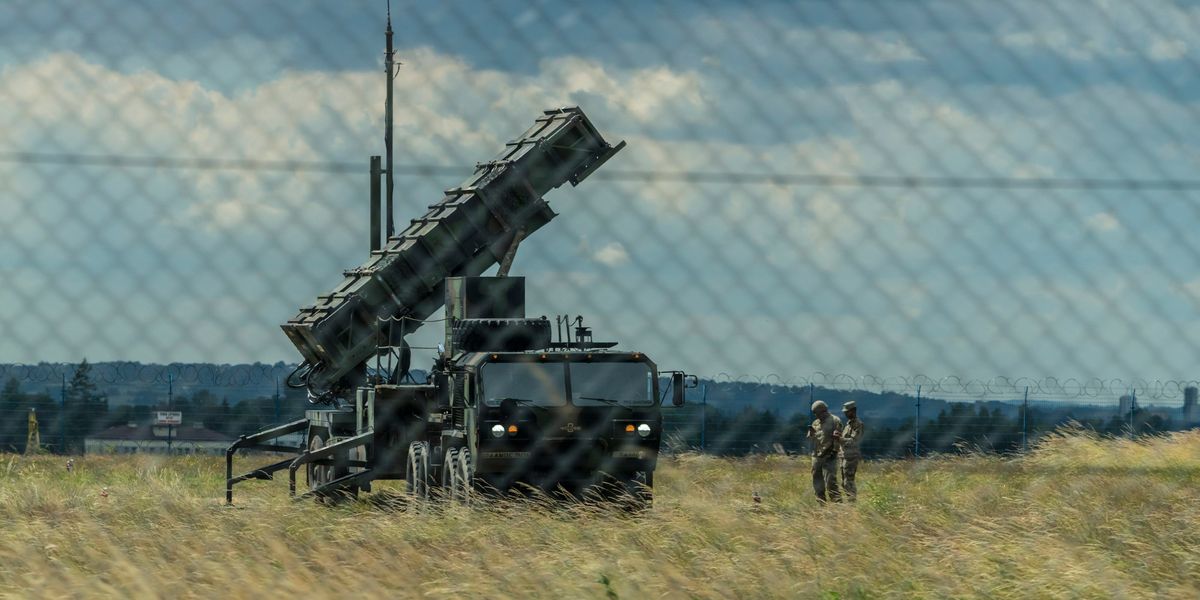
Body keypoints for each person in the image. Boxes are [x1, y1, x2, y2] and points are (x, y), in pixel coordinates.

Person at [806, 400, 842, 503]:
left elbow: (838, 438)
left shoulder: (835, 420)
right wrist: (811, 433)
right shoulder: (815, 423)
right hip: (817, 455)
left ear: (823, 410)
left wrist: (834, 451)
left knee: (830, 482)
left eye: (816, 412)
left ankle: (837, 504)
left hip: (829, 455)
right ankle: (821, 503)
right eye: (814, 413)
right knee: (817, 481)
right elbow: (809, 438)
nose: (815, 415)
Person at [839, 401, 864, 502]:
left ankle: (852, 503)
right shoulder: (848, 424)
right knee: (843, 483)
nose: (845, 414)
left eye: (847, 412)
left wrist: (839, 439)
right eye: (845, 412)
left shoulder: (858, 424)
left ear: (853, 411)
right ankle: (850, 502)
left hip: (851, 456)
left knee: (848, 482)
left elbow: (854, 441)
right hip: (844, 455)